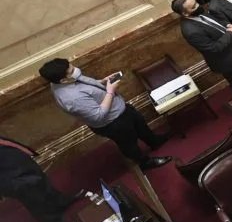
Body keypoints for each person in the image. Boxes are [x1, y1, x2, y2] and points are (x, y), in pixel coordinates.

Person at [40, 59, 171, 171]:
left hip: (121, 109)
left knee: (140, 124)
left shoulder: (61, 80)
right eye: (71, 70)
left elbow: (85, 85)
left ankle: (154, 141)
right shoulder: (72, 99)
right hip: (113, 123)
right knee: (128, 144)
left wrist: (102, 81)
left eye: (72, 66)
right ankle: (145, 162)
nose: (76, 70)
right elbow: (98, 115)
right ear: (63, 80)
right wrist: (110, 91)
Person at [0, 135, 81, 222]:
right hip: (10, 177)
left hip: (17, 162)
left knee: (42, 182)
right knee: (36, 200)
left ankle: (59, 202)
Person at [171, 0, 232, 92]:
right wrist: (230, 33)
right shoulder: (191, 31)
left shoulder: (199, 13)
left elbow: (215, 23)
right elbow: (214, 48)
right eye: (193, 7)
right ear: (185, 13)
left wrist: (226, 25)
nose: (198, 6)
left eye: (196, 3)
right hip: (227, 62)